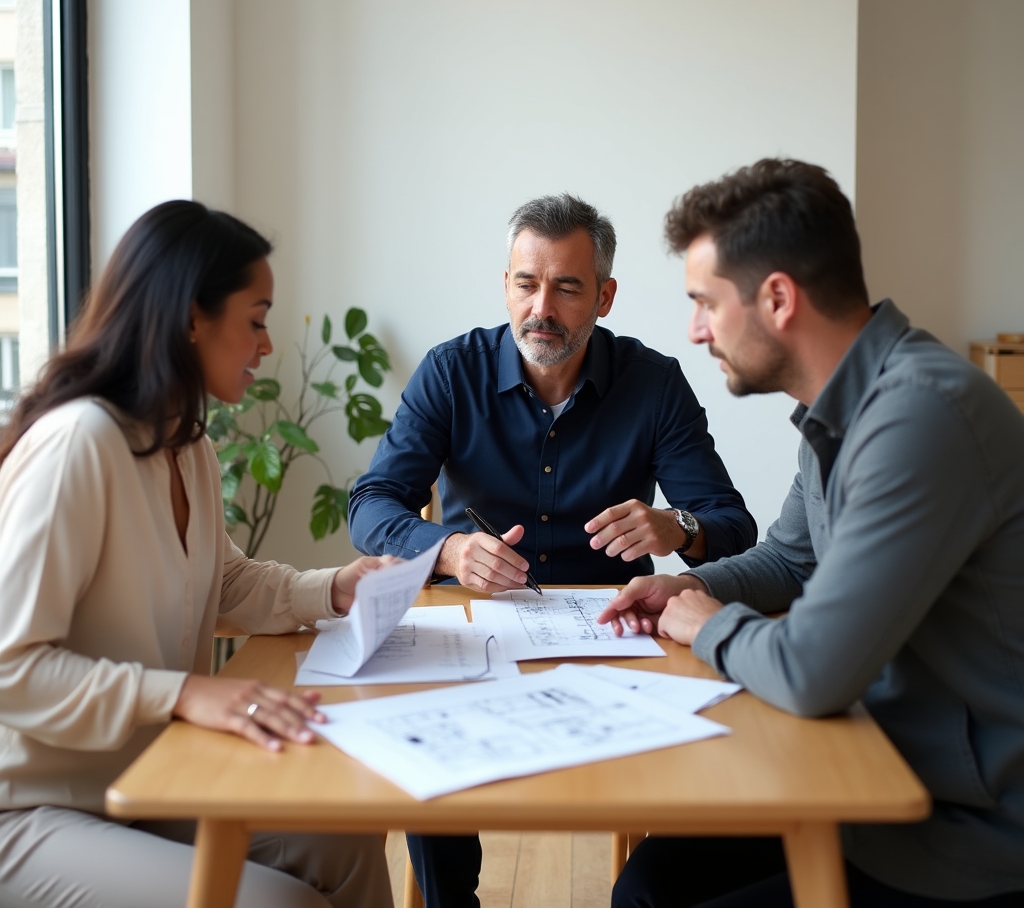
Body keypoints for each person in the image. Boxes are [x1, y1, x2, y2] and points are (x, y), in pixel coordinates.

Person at [599, 159, 1024, 907]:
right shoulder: (843, 408)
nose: (694, 331)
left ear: (778, 298)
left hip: (968, 835)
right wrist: (688, 584)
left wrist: (707, 624)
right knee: (649, 888)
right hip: (867, 771)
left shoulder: (921, 416)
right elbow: (790, 559)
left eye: (704, 303)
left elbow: (812, 670)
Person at [348, 193, 757, 908]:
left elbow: (730, 523)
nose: (542, 306)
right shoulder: (451, 372)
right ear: (505, 285)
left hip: (614, 637)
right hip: (474, 630)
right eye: (525, 282)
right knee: (421, 727)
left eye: (567, 287)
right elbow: (372, 502)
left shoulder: (653, 382)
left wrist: (674, 527)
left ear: (604, 295)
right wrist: (448, 552)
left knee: (712, 751)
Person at [0, 201, 395, 908]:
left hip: (141, 775)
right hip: (29, 808)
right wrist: (182, 693)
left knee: (345, 835)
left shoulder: (188, 445)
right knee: (282, 904)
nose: (266, 346)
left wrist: (335, 587)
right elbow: (9, 667)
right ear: (191, 319)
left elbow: (221, 584)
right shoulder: (79, 445)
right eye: (257, 318)